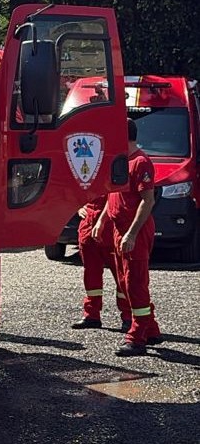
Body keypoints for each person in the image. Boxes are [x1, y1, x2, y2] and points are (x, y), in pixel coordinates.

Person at [92, 119, 163, 356]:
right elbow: (114, 196)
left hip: (135, 231)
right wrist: (103, 220)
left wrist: (131, 234)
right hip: (118, 229)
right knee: (125, 282)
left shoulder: (140, 162)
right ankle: (151, 330)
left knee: (135, 284)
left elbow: (148, 200)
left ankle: (137, 337)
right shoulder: (122, 162)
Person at [70, 195, 131, 332]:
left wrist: (101, 221)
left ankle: (128, 317)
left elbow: (114, 199)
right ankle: (91, 315)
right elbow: (75, 189)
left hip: (109, 229)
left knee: (121, 276)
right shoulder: (90, 174)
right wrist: (78, 206)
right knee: (91, 275)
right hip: (88, 227)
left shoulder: (114, 174)